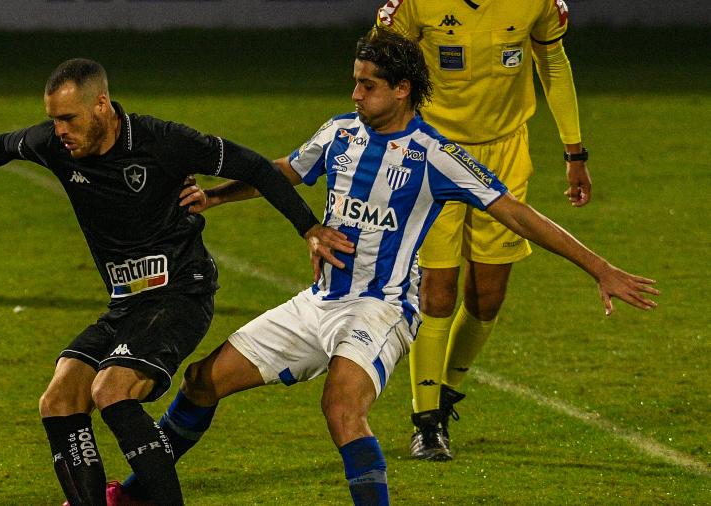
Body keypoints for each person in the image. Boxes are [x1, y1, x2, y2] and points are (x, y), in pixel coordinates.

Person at [109, 30, 656, 505]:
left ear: (402, 90)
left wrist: (598, 267)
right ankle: (135, 494)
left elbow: (516, 212)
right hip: (317, 302)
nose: (356, 92)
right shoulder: (339, 132)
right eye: (355, 81)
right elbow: (283, 173)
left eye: (368, 84)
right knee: (202, 381)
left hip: (382, 307)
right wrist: (219, 196)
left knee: (342, 408)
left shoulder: (434, 154)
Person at [0, 58, 348, 506]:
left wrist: (309, 228)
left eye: (68, 119)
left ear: (101, 106)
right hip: (126, 306)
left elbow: (254, 166)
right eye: (53, 120)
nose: (59, 130)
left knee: (111, 389)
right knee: (59, 398)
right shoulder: (55, 145)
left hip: (180, 294)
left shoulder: (162, 141)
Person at [375, 0, 594, 460]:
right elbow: (376, 71)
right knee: (438, 289)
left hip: (505, 154)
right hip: (432, 154)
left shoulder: (538, 3)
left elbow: (552, 61)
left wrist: (574, 151)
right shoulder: (413, 4)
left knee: (487, 296)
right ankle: (427, 420)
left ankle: (446, 389)